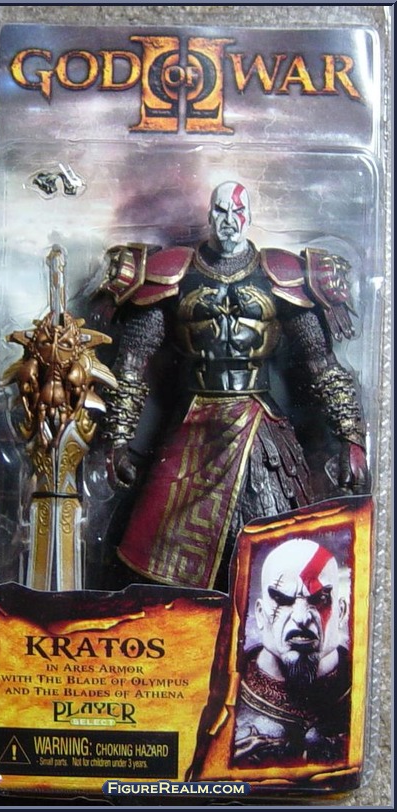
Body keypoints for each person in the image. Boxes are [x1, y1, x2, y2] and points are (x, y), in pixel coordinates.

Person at [97, 181, 367, 591]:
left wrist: (351, 439)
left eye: (237, 212)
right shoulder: (172, 273)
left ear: (250, 216)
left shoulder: (281, 275)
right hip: (194, 423)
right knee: (158, 544)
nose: (229, 221)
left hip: (259, 424)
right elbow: (132, 361)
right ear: (209, 215)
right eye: (221, 211)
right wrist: (118, 438)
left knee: (276, 543)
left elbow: (322, 365)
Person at [233, 538, 350, 765]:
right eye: (282, 600)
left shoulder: (365, 691)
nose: (301, 618)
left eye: (320, 599)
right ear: (260, 614)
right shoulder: (221, 696)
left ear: (342, 612)